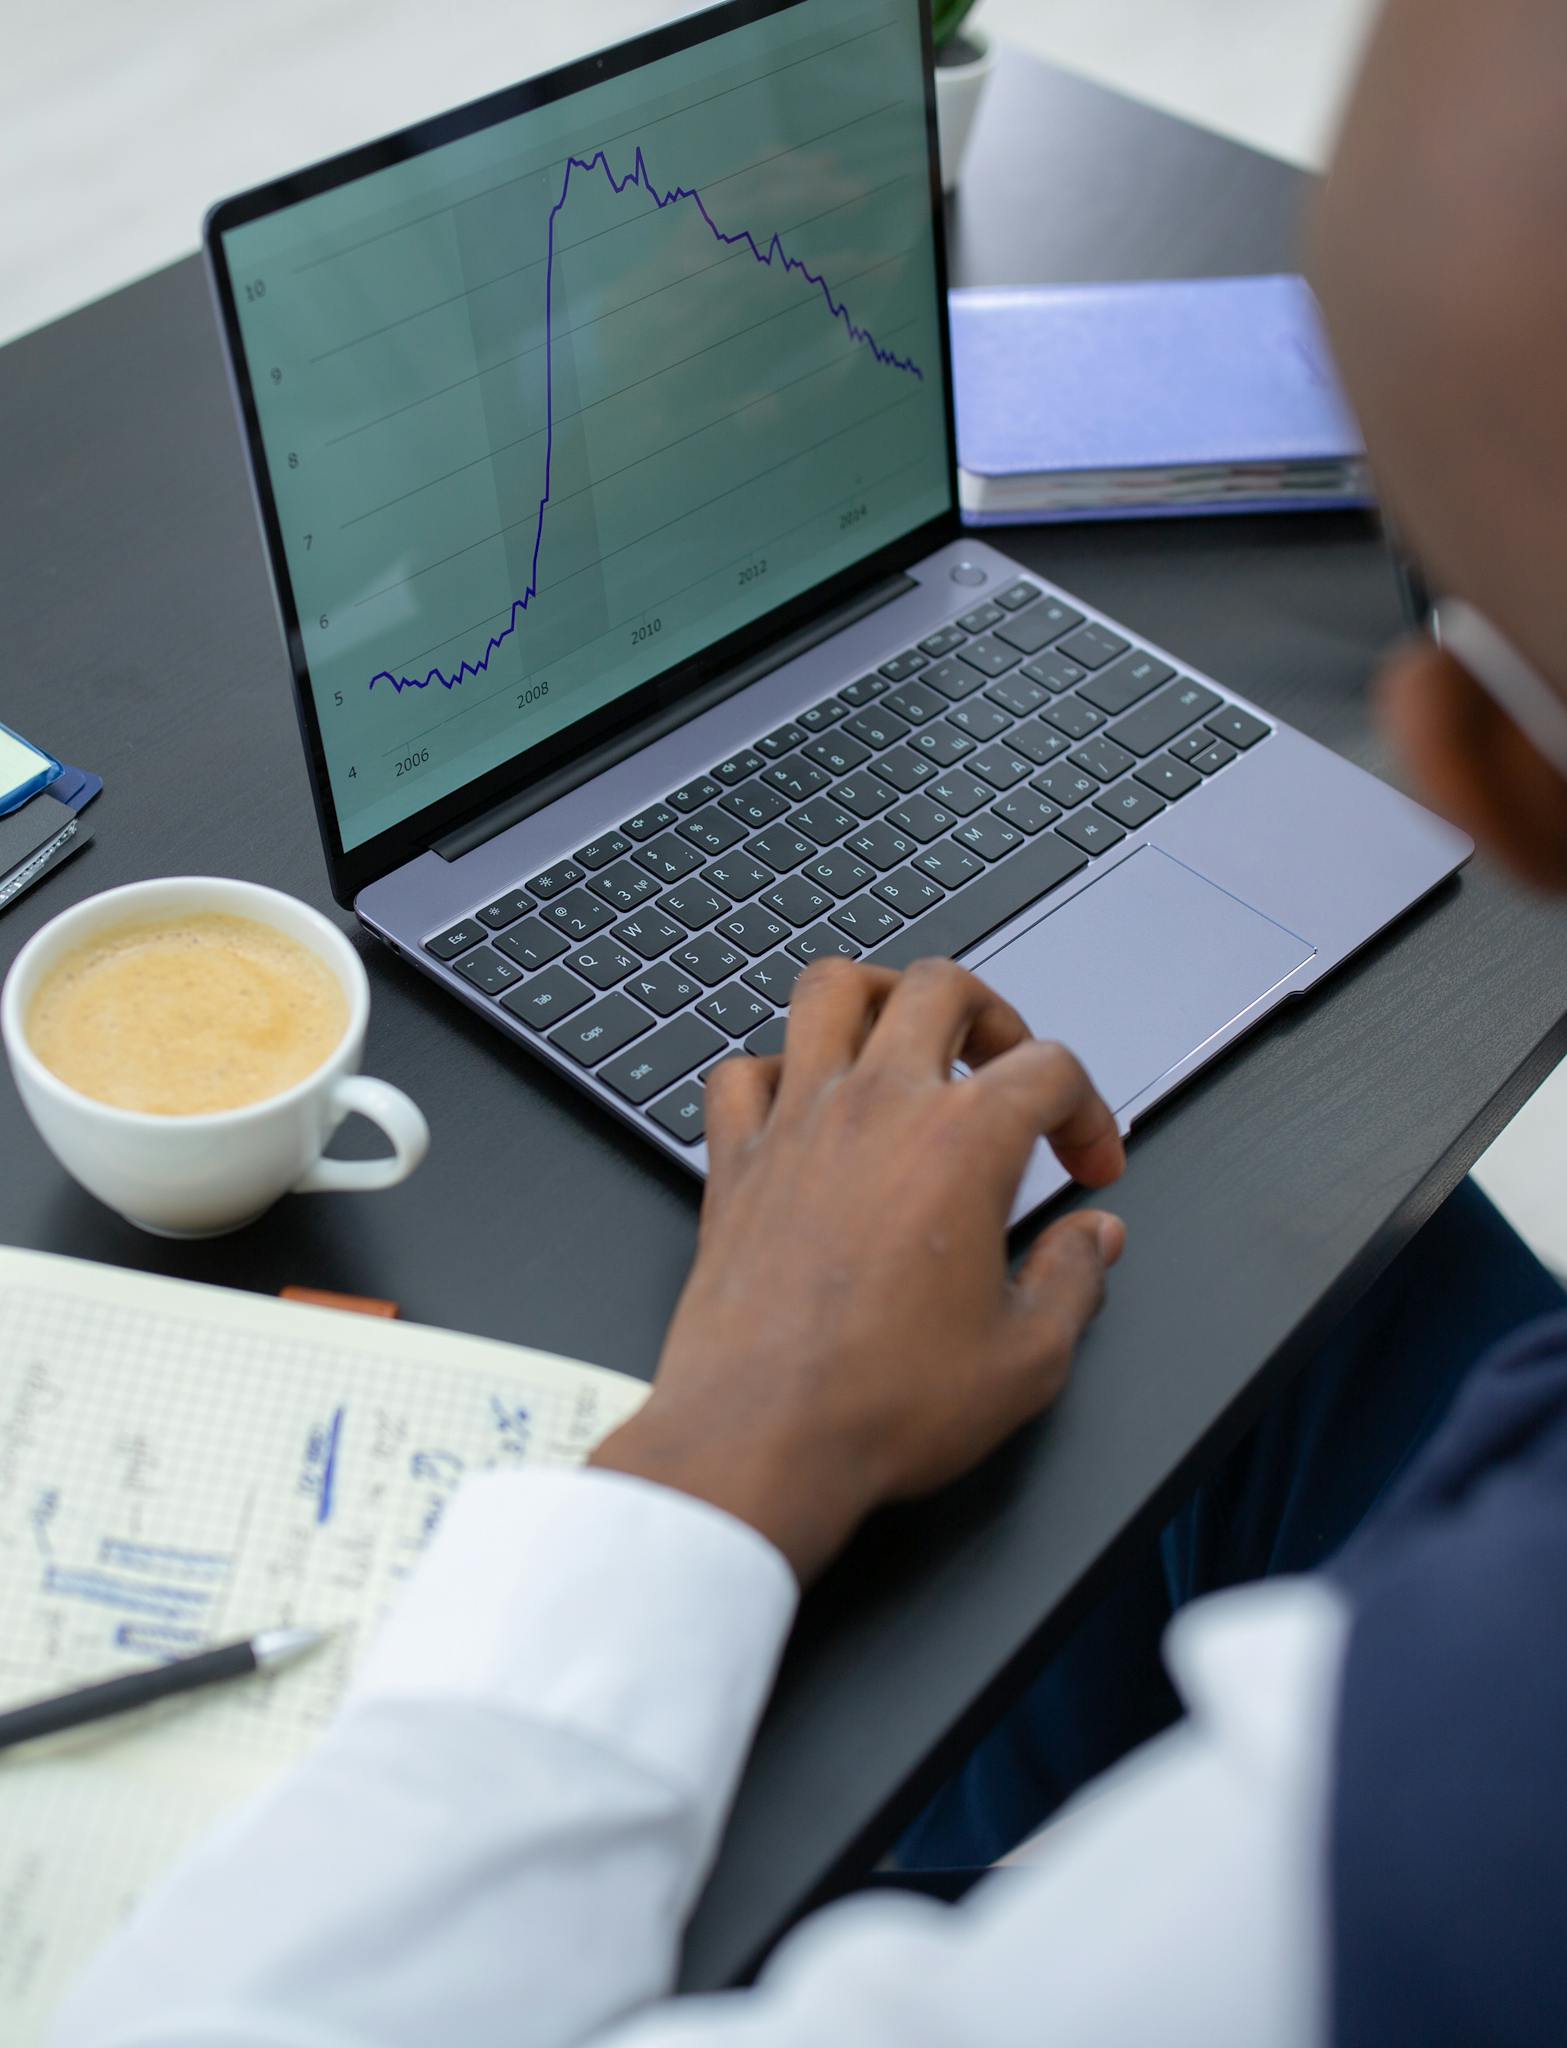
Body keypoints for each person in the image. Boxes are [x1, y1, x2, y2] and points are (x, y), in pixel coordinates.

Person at [52, 0, 1567, 2040]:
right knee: (1323, 1312)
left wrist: (739, 1428)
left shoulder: (1426, 1826)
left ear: (1485, 770)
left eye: (1442, 594)